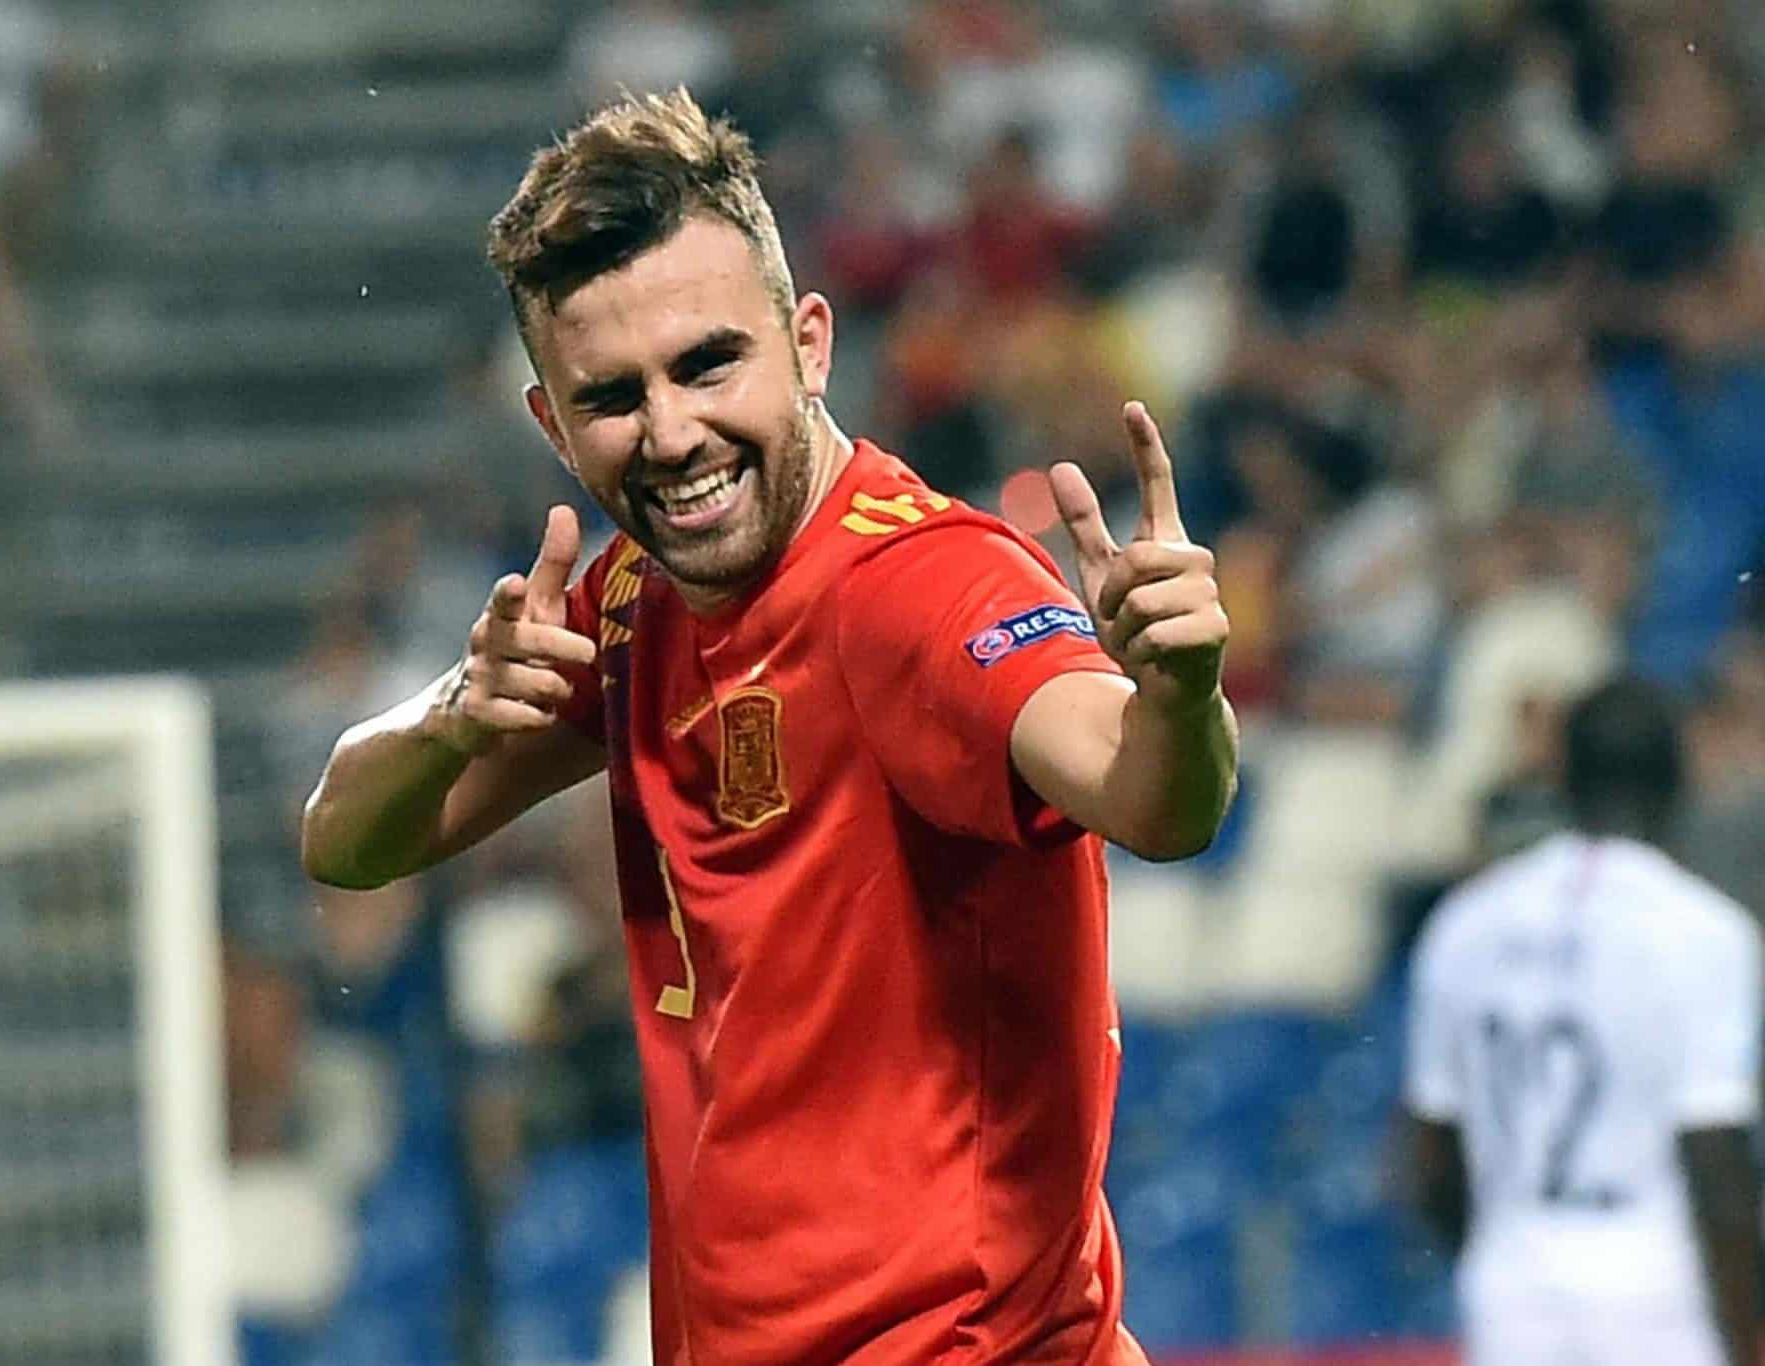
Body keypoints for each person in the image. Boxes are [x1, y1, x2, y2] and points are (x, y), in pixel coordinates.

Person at [302, 88, 1237, 1365]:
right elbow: (344, 837)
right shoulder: (627, 605)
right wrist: (459, 716)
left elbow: (1153, 800)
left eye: (706, 364)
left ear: (807, 343)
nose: (673, 432)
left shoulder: (922, 587)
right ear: (551, 423)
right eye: (613, 395)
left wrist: (1179, 695)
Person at [1402, 677, 1762, 1366]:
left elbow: (1433, 1155)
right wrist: (1744, 1340)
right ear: (1676, 778)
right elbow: (1715, 1160)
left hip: (1513, 1280)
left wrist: (1497, 1246)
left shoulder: (1467, 921)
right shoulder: (1704, 928)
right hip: (1652, 1282)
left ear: (1563, 777)